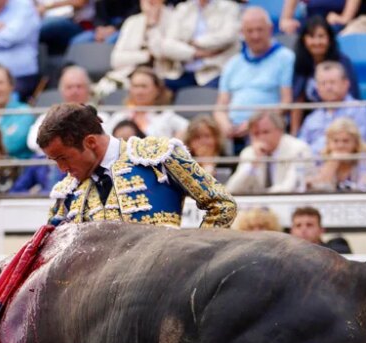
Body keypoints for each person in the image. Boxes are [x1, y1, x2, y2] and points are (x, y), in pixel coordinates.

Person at [39, 102, 236, 228]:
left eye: (63, 158)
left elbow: (222, 205)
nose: (62, 169)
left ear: (90, 142)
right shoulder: (66, 193)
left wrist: (192, 265)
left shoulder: (158, 157)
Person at [214, 7, 295, 149]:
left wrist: (254, 123)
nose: (255, 36)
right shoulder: (232, 63)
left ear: (270, 29)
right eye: (250, 31)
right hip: (234, 133)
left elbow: (286, 102)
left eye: (260, 30)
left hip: (266, 131)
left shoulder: (285, 57)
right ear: (242, 33)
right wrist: (226, 125)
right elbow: (220, 107)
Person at [291, 15, 360, 128]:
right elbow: (298, 100)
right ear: (304, 39)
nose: (317, 42)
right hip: (312, 122)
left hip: (342, 120)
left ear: (329, 39)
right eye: (311, 37)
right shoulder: (301, 62)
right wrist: (295, 133)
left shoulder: (343, 62)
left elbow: (352, 95)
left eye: (321, 36)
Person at [158, 0, 241, 92]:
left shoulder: (230, 7)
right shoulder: (183, 9)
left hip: (215, 72)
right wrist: (195, 53)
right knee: (155, 87)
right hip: (182, 72)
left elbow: (228, 36)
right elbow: (167, 45)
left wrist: (196, 42)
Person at [27, 65, 110, 155]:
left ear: (88, 89)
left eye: (79, 86)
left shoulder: (101, 116)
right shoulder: (47, 117)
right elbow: (32, 143)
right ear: (61, 91)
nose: (74, 91)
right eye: (69, 87)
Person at [225, 110, 313, 194]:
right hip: (257, 207)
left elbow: (291, 187)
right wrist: (253, 164)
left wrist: (263, 199)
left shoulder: (298, 149)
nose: (261, 137)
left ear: (280, 131)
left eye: (265, 132)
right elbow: (232, 189)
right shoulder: (249, 153)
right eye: (256, 133)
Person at [296, 61, 366, 153]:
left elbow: (359, 145)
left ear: (346, 84)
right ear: (317, 88)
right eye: (323, 83)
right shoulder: (311, 119)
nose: (328, 87)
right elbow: (300, 150)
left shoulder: (360, 111)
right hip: (315, 166)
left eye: (332, 82)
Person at [102, 0, 172, 91]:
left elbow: (159, 52)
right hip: (127, 75)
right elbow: (116, 59)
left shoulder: (173, 19)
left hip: (161, 76)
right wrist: (146, 56)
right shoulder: (132, 22)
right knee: (105, 88)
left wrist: (152, 24)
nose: (149, 1)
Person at [106, 66, 188, 139]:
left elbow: (188, 128)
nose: (139, 92)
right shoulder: (120, 116)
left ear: (157, 90)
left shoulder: (166, 116)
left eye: (144, 86)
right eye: (135, 86)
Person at [306, 117, 366, 192]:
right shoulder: (320, 159)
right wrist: (332, 164)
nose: (340, 146)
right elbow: (315, 188)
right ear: (328, 143)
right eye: (335, 141)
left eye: (345, 141)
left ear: (355, 143)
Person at [279, 0, 357, 33]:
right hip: (313, 17)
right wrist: (286, 19)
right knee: (290, 29)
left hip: (339, 19)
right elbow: (285, 20)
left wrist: (344, 18)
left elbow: (345, 20)